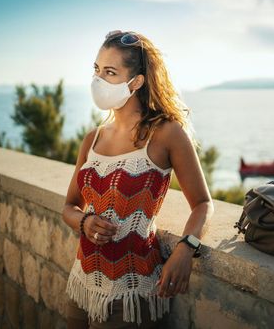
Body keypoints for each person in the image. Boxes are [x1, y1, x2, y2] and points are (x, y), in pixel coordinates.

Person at [62, 30, 214, 329]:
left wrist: (186, 248)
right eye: (96, 70)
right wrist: (84, 222)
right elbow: (69, 206)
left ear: (137, 82)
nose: (98, 80)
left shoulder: (166, 134)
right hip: (81, 284)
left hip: (133, 295)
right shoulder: (92, 139)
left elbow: (203, 203)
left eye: (110, 72)